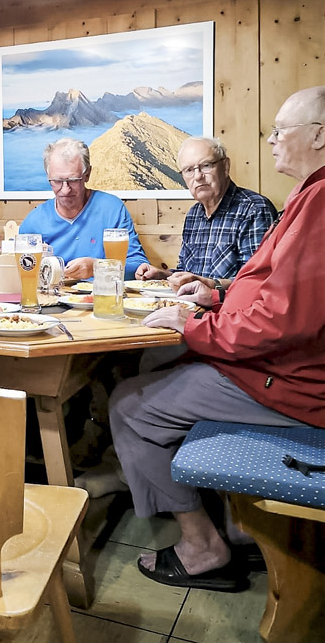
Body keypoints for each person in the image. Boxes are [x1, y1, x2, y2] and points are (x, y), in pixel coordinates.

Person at [108, 86, 325, 592]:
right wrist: (211, 297)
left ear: (318, 136)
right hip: (269, 362)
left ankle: (204, 546)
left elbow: (280, 322)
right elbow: (269, 296)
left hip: (290, 381)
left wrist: (195, 324)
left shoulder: (309, 205)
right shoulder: (308, 198)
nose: (270, 142)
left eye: (279, 131)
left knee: (128, 404)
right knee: (149, 371)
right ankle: (208, 507)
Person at [136, 136, 277, 290]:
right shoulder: (194, 214)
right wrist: (162, 275)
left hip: (231, 311)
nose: (197, 176)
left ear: (226, 166)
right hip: (193, 308)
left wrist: (210, 285)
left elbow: (259, 281)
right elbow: (187, 273)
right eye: (189, 170)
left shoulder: (254, 209)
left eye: (206, 166)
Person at [19, 137, 148, 280]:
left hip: (102, 296)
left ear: (87, 175)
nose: (65, 189)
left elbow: (138, 266)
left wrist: (97, 267)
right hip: (52, 298)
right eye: (57, 181)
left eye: (73, 181)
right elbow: (16, 270)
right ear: (48, 177)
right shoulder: (34, 221)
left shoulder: (112, 209)